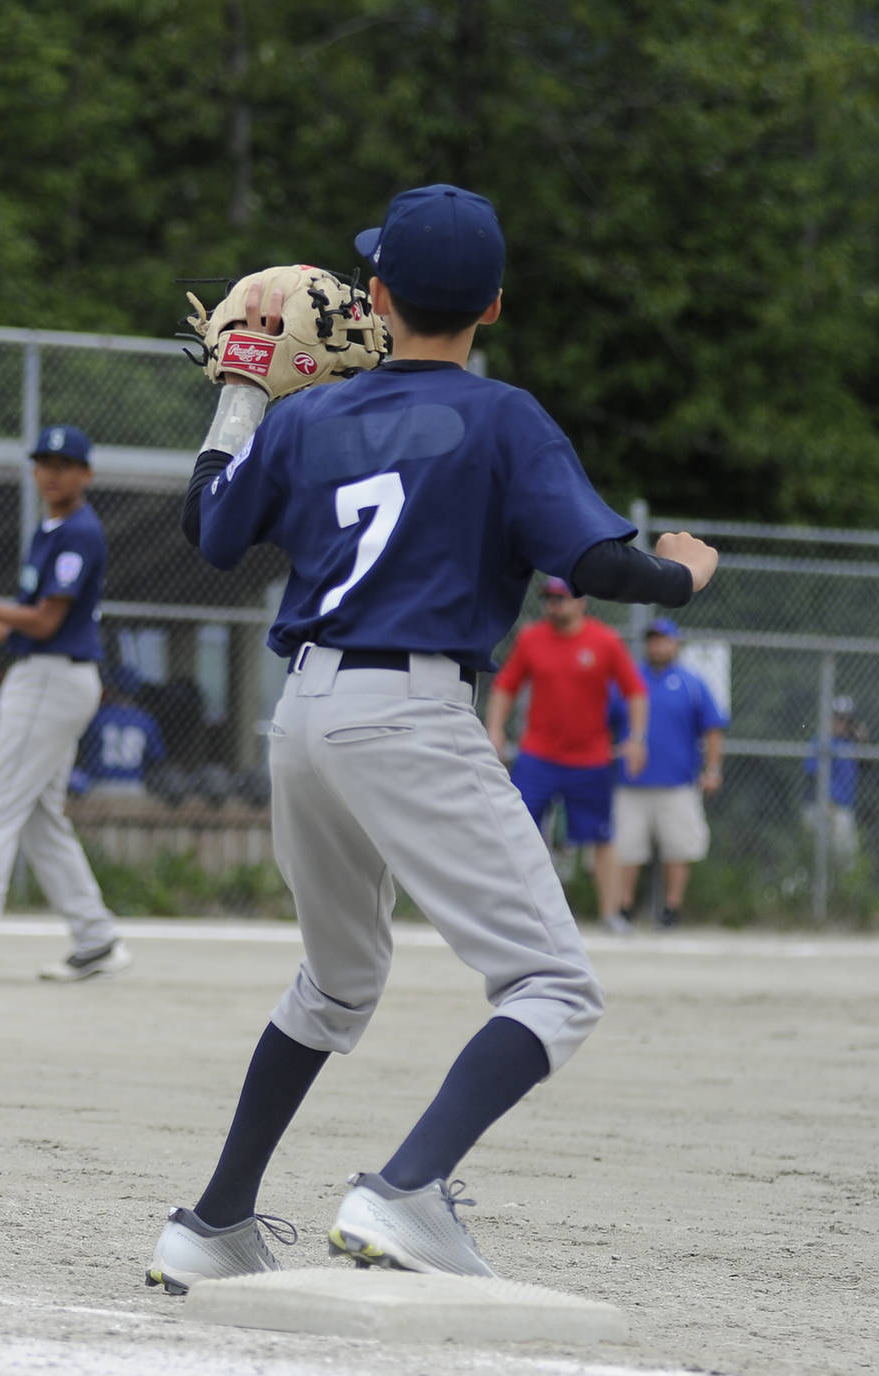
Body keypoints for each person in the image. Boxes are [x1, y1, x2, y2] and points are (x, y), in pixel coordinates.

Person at [152, 185, 717, 1292]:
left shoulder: (310, 416)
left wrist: (236, 391)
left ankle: (212, 1222)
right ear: (493, 306)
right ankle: (404, 1190)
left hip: (303, 712)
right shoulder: (501, 418)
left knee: (334, 982)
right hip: (406, 713)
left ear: (374, 295)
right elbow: (601, 568)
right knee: (552, 986)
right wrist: (686, 571)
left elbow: (210, 527)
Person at [0, 424, 126, 984]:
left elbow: (46, 621)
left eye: (65, 463)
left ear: (85, 474)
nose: (53, 471)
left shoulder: (78, 532)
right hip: (49, 677)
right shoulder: (52, 528)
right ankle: (96, 938)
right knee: (37, 817)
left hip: (49, 683)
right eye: (44, 462)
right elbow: (31, 614)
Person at [486, 578, 648, 933]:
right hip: (538, 756)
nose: (554, 605)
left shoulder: (604, 641)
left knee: (601, 838)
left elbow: (635, 691)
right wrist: (495, 731)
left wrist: (636, 738)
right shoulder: (531, 638)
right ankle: (513, 912)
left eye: (561, 598)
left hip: (589, 758)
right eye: (549, 598)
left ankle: (611, 913)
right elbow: (505, 686)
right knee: (517, 831)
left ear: (581, 602)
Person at [612, 618, 727, 928]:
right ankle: (623, 909)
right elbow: (605, 720)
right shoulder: (630, 680)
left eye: (663, 640)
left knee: (679, 847)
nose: (657, 645)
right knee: (627, 848)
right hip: (631, 781)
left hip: (678, 782)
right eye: (652, 640)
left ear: (676, 644)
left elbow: (713, 729)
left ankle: (671, 911)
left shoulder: (692, 682)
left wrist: (712, 769)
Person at [74, 666, 167, 799]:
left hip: (99, 785)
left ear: (113, 688)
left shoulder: (98, 716)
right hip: (134, 786)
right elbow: (156, 758)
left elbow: (81, 749)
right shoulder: (145, 719)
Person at [804, 695, 865, 861]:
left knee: (844, 860)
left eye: (846, 719)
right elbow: (812, 774)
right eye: (838, 718)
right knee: (813, 858)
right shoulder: (821, 741)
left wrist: (861, 742)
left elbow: (866, 768)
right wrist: (824, 801)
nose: (842, 723)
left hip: (843, 810)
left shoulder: (851, 745)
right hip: (823, 808)